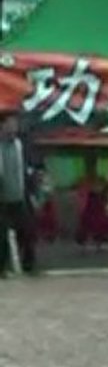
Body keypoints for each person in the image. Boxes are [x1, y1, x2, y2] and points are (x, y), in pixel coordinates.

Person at [0, 113, 37, 277]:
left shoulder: (22, 145)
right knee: (1, 237)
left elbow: (32, 168)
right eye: (10, 124)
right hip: (2, 199)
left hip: (21, 197)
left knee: (27, 232)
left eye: (15, 124)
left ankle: (29, 267)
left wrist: (33, 191)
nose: (13, 127)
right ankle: (2, 268)